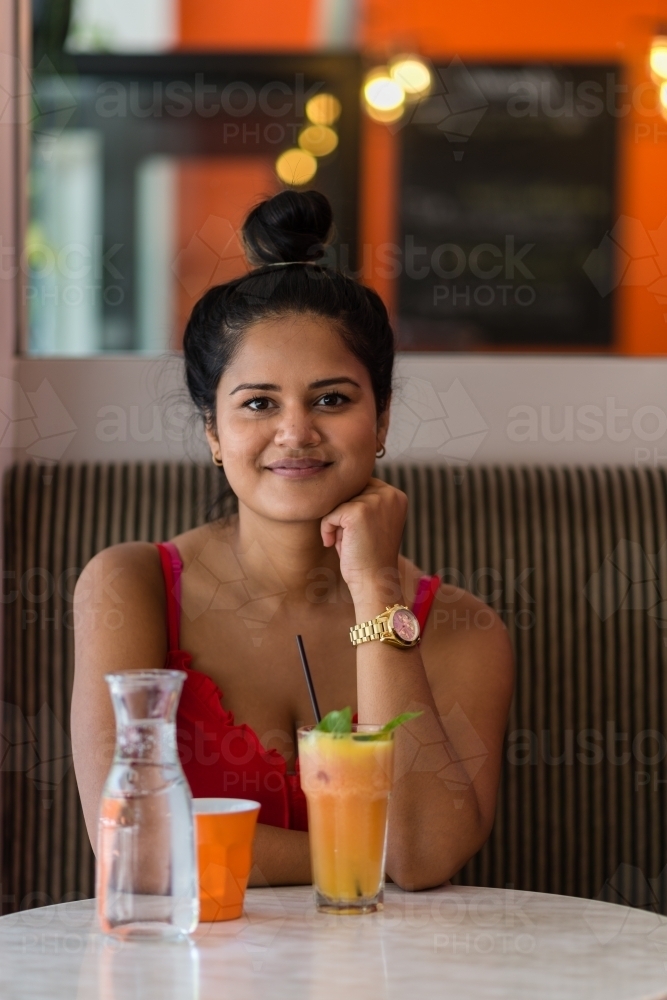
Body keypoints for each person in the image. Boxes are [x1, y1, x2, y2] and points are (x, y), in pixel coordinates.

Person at [71, 189, 513, 891]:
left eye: (332, 399)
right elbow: (134, 846)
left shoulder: (462, 629)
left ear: (383, 418)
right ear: (214, 432)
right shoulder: (131, 586)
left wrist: (374, 588)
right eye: (258, 404)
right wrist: (355, 853)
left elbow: (424, 856)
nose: (297, 431)